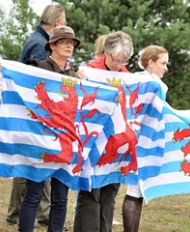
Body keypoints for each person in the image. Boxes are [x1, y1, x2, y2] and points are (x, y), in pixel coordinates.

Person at [0, 4, 67, 227]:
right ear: (56, 25)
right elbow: (35, 81)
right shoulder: (39, 46)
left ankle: (18, 213)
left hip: (33, 121)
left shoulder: (36, 39)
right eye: (63, 24)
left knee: (26, 171)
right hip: (35, 122)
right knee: (34, 175)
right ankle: (35, 215)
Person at [18, 25, 81, 232]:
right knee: (33, 195)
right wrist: (3, 71)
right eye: (64, 42)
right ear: (52, 45)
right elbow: (18, 80)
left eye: (71, 43)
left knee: (61, 198)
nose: (68, 46)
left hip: (64, 143)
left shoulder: (75, 76)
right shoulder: (37, 67)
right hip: (40, 140)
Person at [74, 30, 133, 232]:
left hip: (117, 145)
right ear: (106, 53)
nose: (120, 65)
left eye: (123, 61)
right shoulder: (90, 71)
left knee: (109, 195)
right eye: (117, 60)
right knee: (91, 194)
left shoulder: (127, 76)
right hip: (94, 143)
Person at [122, 45, 169, 232]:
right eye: (163, 63)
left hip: (146, 140)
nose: (166, 68)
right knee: (134, 191)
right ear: (150, 62)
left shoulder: (146, 81)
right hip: (141, 141)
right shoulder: (147, 82)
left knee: (139, 191)